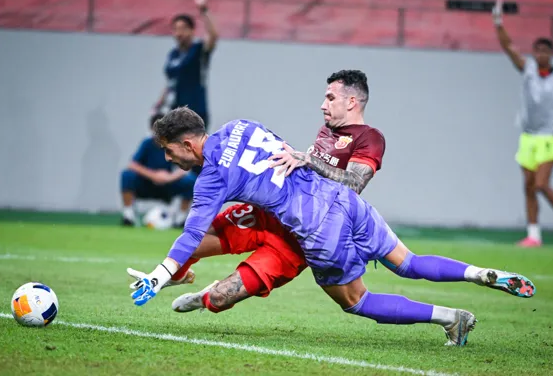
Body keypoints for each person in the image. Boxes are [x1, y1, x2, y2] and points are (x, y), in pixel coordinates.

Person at [127, 108, 536, 347]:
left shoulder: (211, 178)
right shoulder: (240, 125)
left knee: (356, 301)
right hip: (340, 198)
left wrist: (159, 275)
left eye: (168, 152)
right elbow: (279, 151)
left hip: (316, 227)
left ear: (185, 143)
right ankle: (477, 273)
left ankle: (450, 317)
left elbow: (191, 234)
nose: (169, 161)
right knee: (407, 262)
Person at [130, 70, 386, 308]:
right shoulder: (240, 125)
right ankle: (179, 273)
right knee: (196, 242)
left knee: (220, 297)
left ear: (352, 101)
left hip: (303, 235)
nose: (324, 105)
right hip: (265, 216)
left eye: (331, 98)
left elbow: (354, 183)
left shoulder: (369, 138)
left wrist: (157, 276)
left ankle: (201, 294)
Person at [492, 0, 553, 249]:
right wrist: (498, 23)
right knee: (528, 186)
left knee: (542, 184)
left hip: (550, 136)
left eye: (545, 51)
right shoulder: (528, 70)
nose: (541, 55)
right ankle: (534, 235)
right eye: (538, 51)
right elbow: (509, 48)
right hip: (528, 135)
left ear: (551, 54)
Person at [153, 0, 218, 130]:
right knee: (174, 151)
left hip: (196, 112)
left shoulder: (198, 50)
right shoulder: (173, 55)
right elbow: (170, 82)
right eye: (175, 29)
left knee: (193, 151)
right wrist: (159, 104)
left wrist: (204, 10)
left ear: (192, 30)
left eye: (183, 29)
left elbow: (213, 36)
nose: (179, 33)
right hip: (175, 112)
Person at [120, 113, 196, 227]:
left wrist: (169, 177)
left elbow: (187, 167)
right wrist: (153, 175)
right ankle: (128, 216)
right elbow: (132, 164)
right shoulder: (147, 143)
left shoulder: (176, 144)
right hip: (147, 184)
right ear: (151, 129)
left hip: (168, 185)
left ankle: (180, 219)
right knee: (126, 176)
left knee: (191, 181)